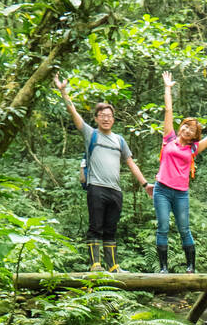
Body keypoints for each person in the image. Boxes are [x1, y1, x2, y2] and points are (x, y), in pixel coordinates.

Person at [52, 74, 153, 271]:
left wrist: (145, 184)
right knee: (95, 227)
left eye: (109, 116)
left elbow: (131, 163)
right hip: (96, 187)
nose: (106, 119)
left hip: (115, 190)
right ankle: (95, 264)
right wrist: (63, 92)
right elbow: (74, 113)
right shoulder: (92, 134)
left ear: (113, 119)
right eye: (102, 116)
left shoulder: (119, 140)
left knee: (111, 229)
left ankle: (113, 266)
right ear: (97, 118)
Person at [154, 70, 207, 272]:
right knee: (163, 227)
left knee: (184, 228)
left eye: (191, 129)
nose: (186, 130)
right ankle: (163, 268)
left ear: (194, 135)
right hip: (162, 190)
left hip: (181, 193)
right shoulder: (168, 139)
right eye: (185, 126)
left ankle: (191, 267)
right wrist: (168, 89)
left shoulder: (193, 148)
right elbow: (168, 112)